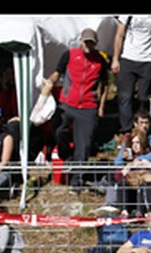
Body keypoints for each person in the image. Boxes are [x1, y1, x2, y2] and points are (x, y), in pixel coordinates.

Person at [44, 28, 109, 188]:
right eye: (86, 41)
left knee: (84, 145)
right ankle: (66, 154)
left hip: (88, 107)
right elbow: (57, 73)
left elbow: (105, 84)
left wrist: (101, 106)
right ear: (80, 40)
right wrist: (50, 81)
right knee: (58, 130)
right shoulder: (70, 55)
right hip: (67, 103)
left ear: (96, 43)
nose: (88, 45)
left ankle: (76, 181)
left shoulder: (100, 60)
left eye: (91, 42)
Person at [112, 15, 151, 134]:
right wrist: (115, 59)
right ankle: (127, 129)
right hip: (128, 58)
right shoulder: (127, 16)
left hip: (147, 60)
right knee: (125, 97)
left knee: (144, 97)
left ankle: (143, 128)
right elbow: (119, 35)